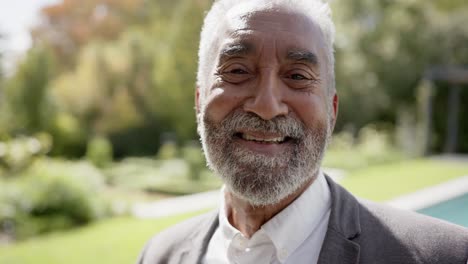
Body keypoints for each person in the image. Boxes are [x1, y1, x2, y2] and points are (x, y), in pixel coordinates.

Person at [137, 0, 468, 263]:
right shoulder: (158, 256)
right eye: (237, 71)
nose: (266, 105)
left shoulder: (447, 256)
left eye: (297, 76)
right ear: (199, 100)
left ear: (332, 111)